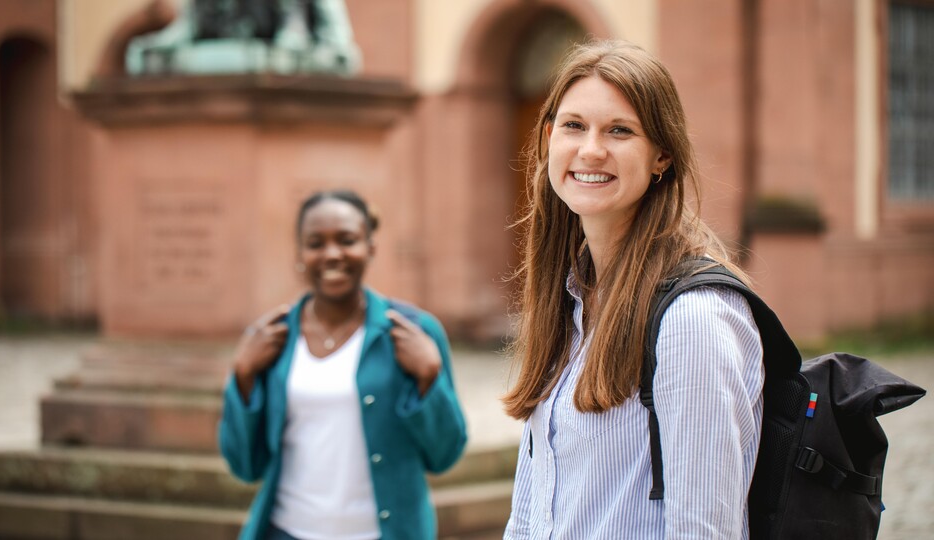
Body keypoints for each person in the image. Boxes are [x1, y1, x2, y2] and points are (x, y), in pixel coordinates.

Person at [501, 40, 764, 539]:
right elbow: (532, 509)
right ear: (548, 138)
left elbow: (704, 529)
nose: (591, 149)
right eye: (574, 125)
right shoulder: (572, 299)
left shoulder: (692, 320)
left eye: (619, 130)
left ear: (661, 155)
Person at [219, 190, 468, 540]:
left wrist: (429, 378)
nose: (332, 254)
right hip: (286, 531)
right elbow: (245, 466)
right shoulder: (271, 338)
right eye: (316, 243)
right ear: (299, 254)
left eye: (347, 240)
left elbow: (444, 456)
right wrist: (243, 376)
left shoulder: (416, 332)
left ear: (370, 247)